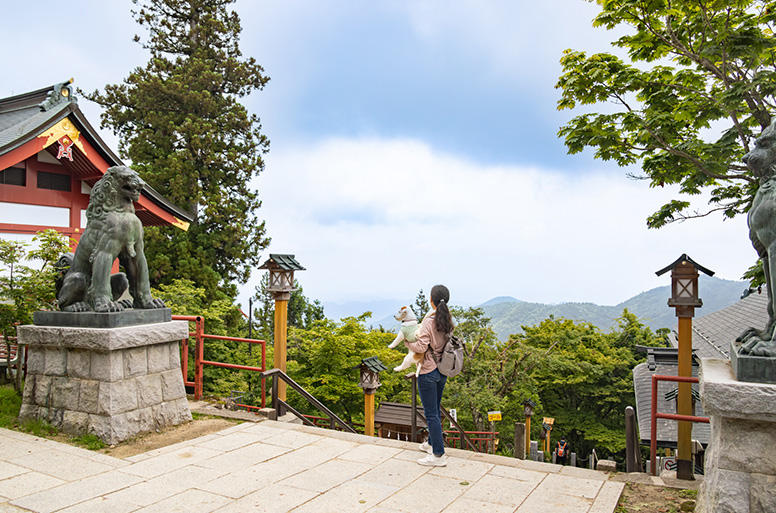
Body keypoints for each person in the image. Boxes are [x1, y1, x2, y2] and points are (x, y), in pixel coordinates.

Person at [404, 284, 454, 467]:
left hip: (428, 372)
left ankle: (438, 456)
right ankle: (431, 444)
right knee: (435, 410)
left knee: (431, 413)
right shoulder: (448, 319)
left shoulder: (428, 321)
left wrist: (407, 342)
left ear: (431, 300)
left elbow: (421, 347)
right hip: (442, 371)